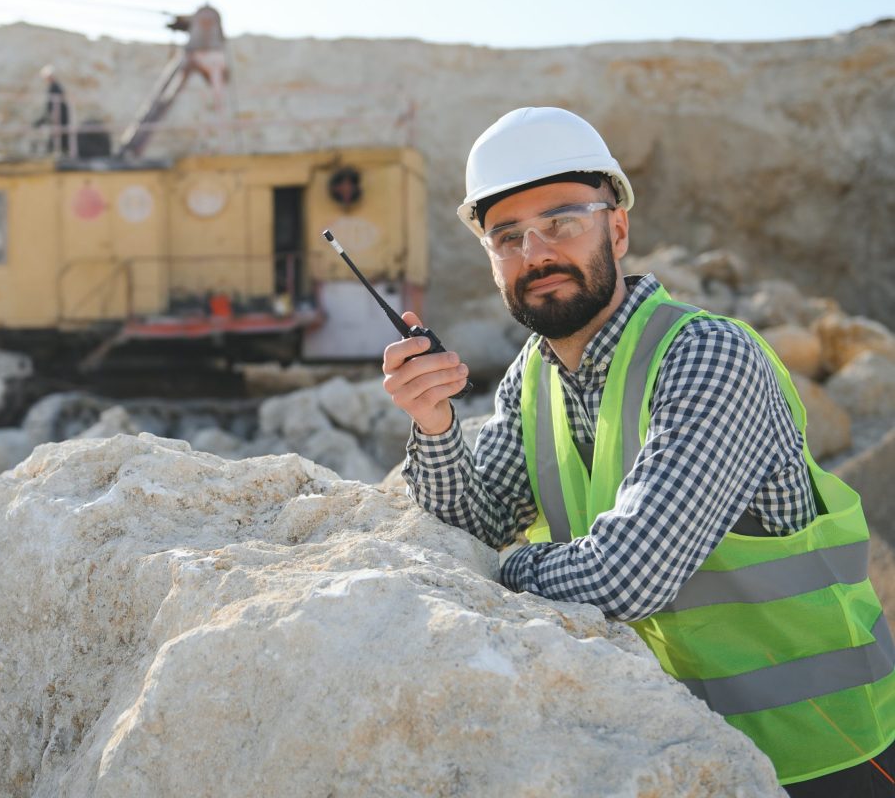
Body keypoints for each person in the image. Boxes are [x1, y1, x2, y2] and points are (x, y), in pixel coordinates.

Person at [383, 106, 895, 796]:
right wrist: (436, 425)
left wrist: (499, 571)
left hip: (827, 752)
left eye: (561, 223)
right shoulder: (532, 378)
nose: (535, 254)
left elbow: (629, 576)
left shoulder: (708, 355)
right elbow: (471, 524)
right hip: (681, 747)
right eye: (508, 237)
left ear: (616, 229)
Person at [33, 65, 70, 155]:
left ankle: (56, 153)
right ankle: (55, 151)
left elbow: (55, 104)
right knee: (57, 136)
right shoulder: (54, 87)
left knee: (59, 136)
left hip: (59, 116)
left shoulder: (55, 87)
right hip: (57, 116)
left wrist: (49, 116)